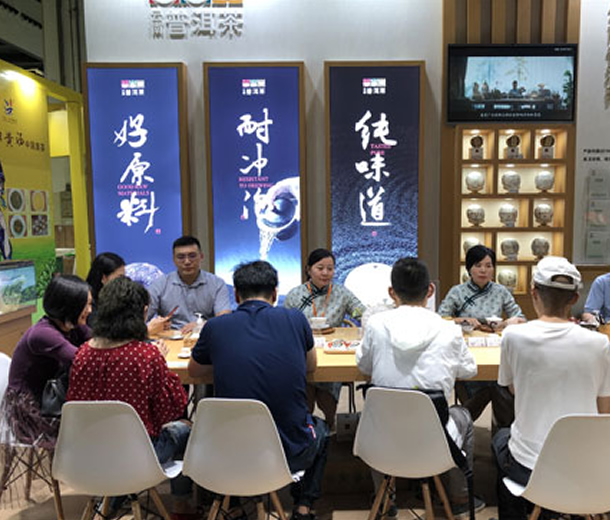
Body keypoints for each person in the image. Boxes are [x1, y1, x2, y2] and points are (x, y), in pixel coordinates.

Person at [189, 261, 328, 520]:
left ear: (236, 295)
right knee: (321, 429)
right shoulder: (295, 319)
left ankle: (233, 503)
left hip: (228, 453)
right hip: (289, 453)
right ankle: (303, 507)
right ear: (275, 293)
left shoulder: (215, 326)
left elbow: (194, 371)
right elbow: (311, 366)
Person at [356, 258, 483, 517]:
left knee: (373, 416)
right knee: (463, 416)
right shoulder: (449, 329)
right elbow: (470, 370)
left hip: (382, 442)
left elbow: (363, 365)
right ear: (430, 290)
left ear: (392, 292)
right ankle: (459, 497)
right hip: (435, 443)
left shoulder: (376, 325)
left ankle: (386, 500)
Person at [493, 256, 610, 520]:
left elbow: (512, 389)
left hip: (530, 469)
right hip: (585, 469)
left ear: (533, 292)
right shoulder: (600, 344)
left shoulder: (513, 336)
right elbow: (604, 411)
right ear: (574, 298)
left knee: (500, 438)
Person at [67, 276, 191, 513]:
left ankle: (111, 501)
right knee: (186, 428)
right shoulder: (146, 356)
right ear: (143, 312)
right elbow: (170, 410)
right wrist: (163, 364)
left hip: (89, 454)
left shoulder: (83, 353)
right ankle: (182, 505)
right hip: (139, 456)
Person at [0, 275, 92, 449]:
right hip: (28, 407)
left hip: (51, 397)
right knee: (84, 433)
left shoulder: (72, 325)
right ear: (69, 305)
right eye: (85, 305)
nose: (90, 310)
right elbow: (83, 361)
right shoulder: (43, 334)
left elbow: (97, 341)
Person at [438, 245, 526, 425]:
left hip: (493, 346)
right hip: (467, 348)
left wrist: (505, 323)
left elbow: (521, 318)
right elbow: (441, 319)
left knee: (500, 378)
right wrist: (463, 320)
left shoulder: (500, 291)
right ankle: (478, 416)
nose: (483, 270)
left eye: (488, 265)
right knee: (494, 384)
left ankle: (496, 425)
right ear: (469, 268)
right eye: (478, 265)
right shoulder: (457, 291)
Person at [284, 248, 365, 428]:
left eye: (330, 268)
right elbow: (285, 324)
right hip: (303, 350)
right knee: (305, 393)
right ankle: (306, 428)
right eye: (320, 268)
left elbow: (360, 312)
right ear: (309, 269)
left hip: (331, 349)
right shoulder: (295, 294)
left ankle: (330, 425)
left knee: (327, 395)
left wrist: (370, 316)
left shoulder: (341, 293)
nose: (325, 273)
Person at [147, 236, 231, 334]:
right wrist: (154, 325)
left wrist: (201, 325)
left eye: (192, 256)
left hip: (206, 335)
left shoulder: (217, 284)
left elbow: (224, 319)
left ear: (201, 257)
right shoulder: (160, 284)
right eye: (181, 257)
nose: (187, 262)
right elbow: (141, 317)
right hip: (170, 338)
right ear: (174, 260)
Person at [86, 252, 168, 334]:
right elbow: (105, 335)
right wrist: (146, 331)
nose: (124, 281)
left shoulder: (119, 297)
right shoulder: (88, 300)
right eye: (120, 277)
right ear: (104, 278)